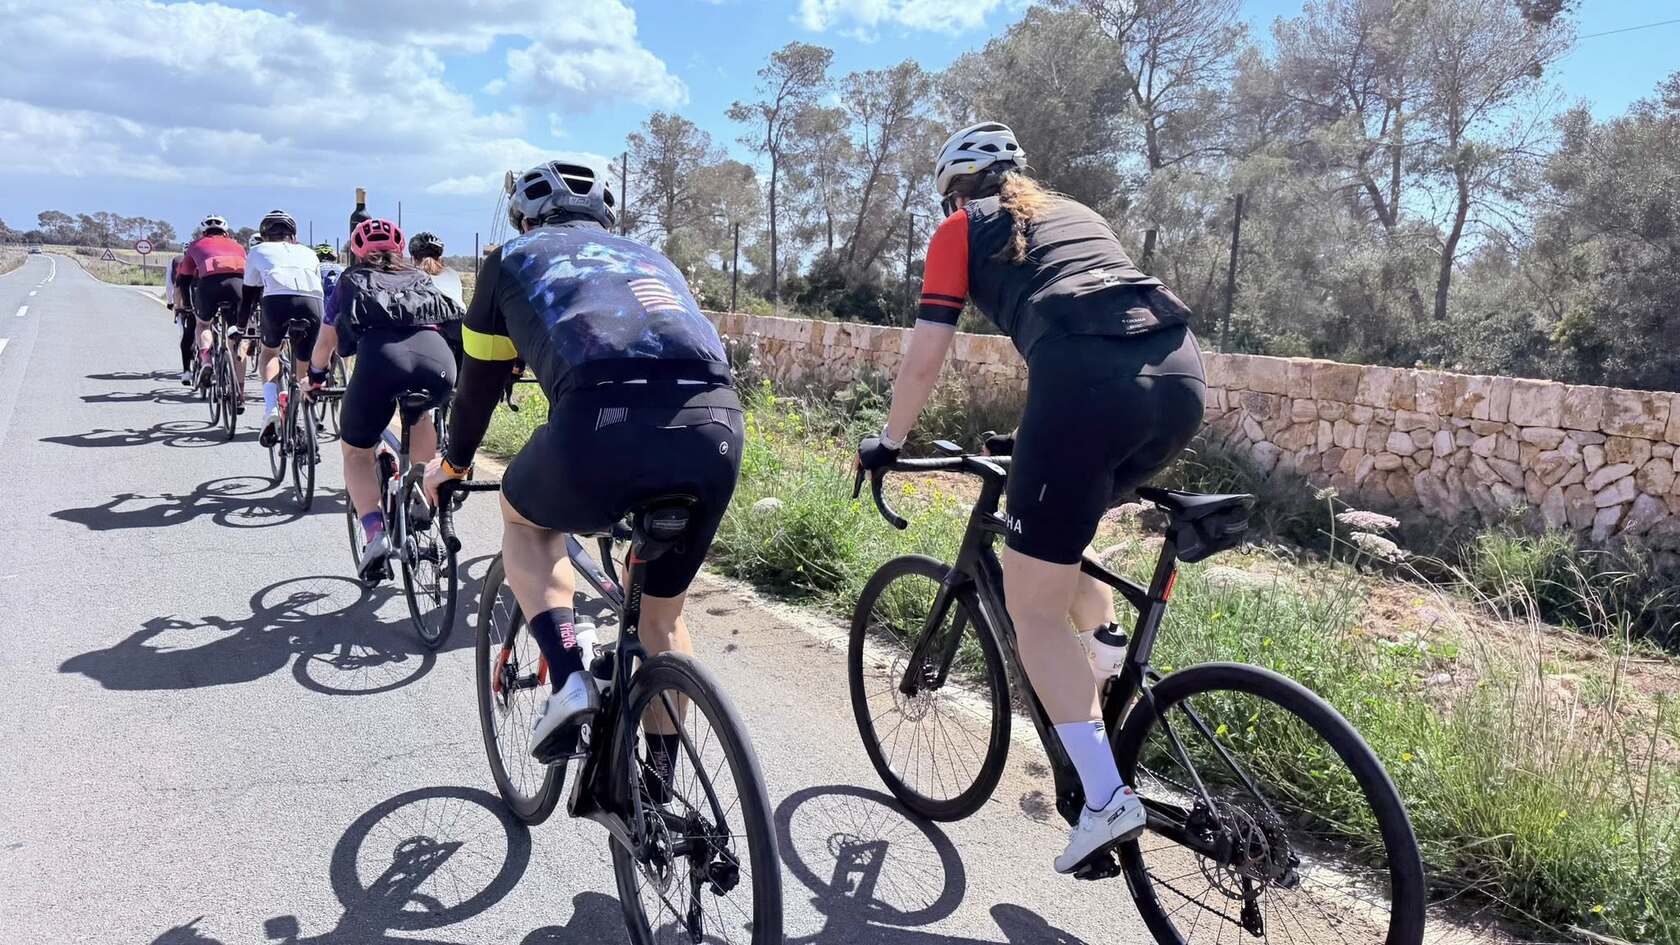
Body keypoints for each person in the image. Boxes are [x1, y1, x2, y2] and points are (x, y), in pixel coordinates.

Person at [854, 122, 1206, 874]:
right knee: (1056, 540)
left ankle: (1105, 799)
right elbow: (1095, 320)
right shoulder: (1076, 212)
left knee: (1032, 608)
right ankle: (1103, 654)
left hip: (1086, 389)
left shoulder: (959, 229)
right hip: (1180, 379)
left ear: (955, 191)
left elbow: (925, 359)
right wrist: (1034, 436)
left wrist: (889, 440)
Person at [423, 160, 743, 767]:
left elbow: (476, 391)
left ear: (525, 219)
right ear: (604, 219)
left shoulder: (508, 259)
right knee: (661, 619)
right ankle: (661, 789)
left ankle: (568, 677)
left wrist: (454, 466)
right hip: (717, 423)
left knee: (526, 520)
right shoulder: (653, 258)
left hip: (602, 417)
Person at [310, 218, 460, 577]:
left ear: (356, 252)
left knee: (356, 452)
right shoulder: (420, 277)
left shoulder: (350, 280)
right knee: (420, 414)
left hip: (382, 361)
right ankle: (422, 491)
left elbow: (326, 343)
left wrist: (314, 378)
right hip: (439, 363)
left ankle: (375, 532)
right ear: (400, 250)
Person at [241, 210, 324, 445]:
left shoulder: (258, 250)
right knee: (303, 365)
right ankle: (304, 416)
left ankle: (272, 408)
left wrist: (240, 327)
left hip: (276, 300)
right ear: (293, 235)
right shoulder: (309, 253)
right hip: (312, 302)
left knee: (270, 352)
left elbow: (248, 296)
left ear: (265, 235)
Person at [174, 215, 247, 395]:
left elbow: (184, 278)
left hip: (209, 285)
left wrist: (188, 305)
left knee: (203, 325)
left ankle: (206, 360)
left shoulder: (196, 245)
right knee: (236, 333)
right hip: (238, 285)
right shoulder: (238, 246)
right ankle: (239, 394)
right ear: (226, 232)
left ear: (204, 232)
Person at [165, 252, 195, 385]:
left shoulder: (181, 263)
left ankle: (187, 371)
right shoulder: (209, 262)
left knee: (187, 336)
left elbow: (174, 287)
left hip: (188, 304)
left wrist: (174, 305)